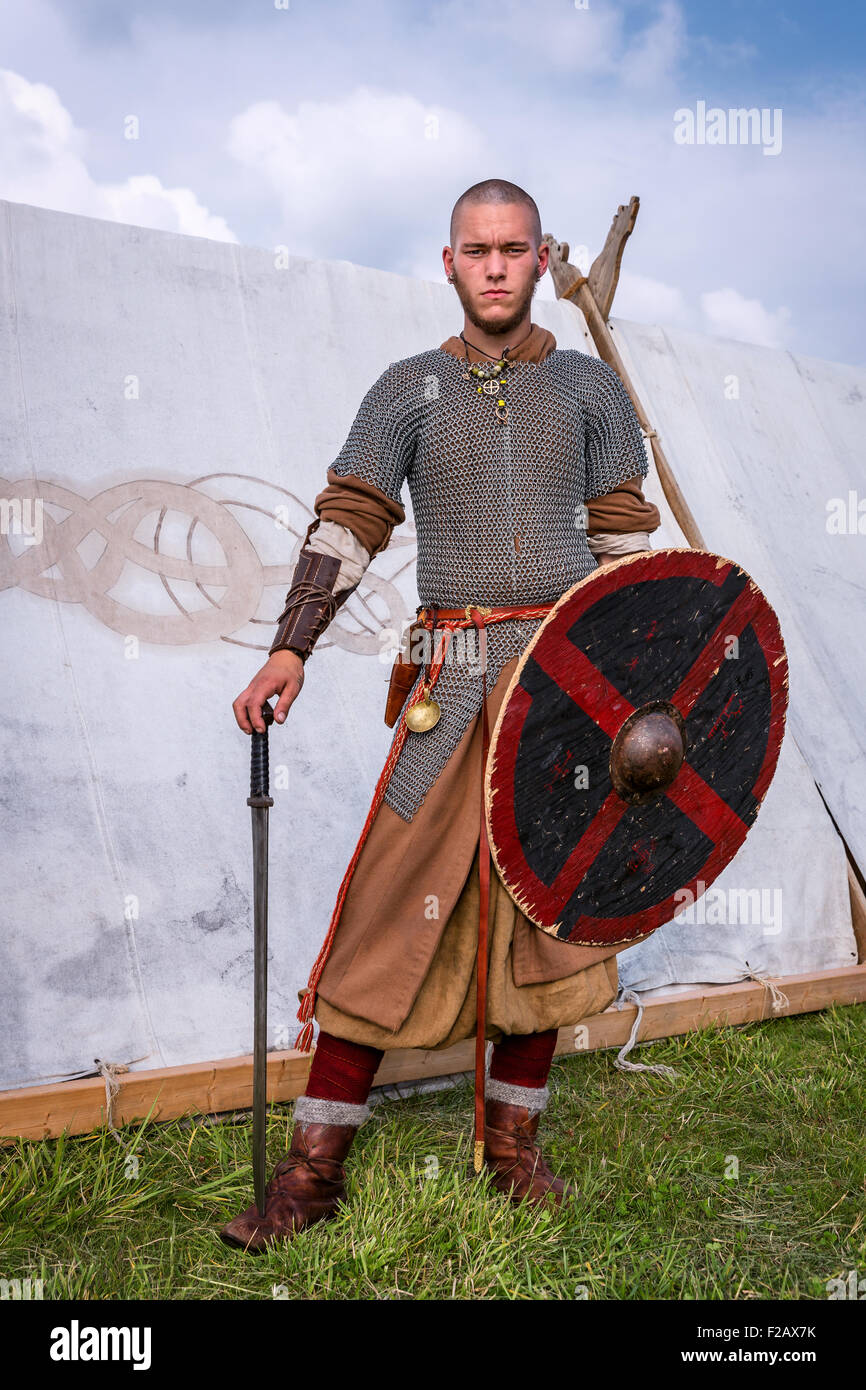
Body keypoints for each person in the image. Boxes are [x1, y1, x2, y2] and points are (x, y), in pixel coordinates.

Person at [221, 178, 659, 1253]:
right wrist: (290, 646)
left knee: (546, 910)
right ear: (449, 261)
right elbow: (349, 522)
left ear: (536, 255)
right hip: (449, 668)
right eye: (477, 250)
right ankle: (312, 1172)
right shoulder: (406, 390)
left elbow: (625, 558)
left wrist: (638, 690)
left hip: (561, 682)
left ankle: (510, 1147)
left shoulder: (591, 392)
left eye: (514, 249)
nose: (497, 266)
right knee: (388, 901)